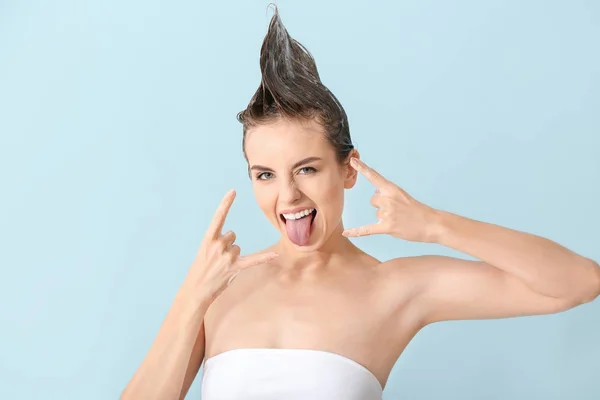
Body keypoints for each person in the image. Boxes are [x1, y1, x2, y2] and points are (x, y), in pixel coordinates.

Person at [121, 6, 600, 400]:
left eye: (306, 169)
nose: (287, 196)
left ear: (348, 170)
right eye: (265, 175)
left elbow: (579, 283)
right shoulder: (218, 289)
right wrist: (191, 296)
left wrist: (435, 225)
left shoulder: (394, 288)